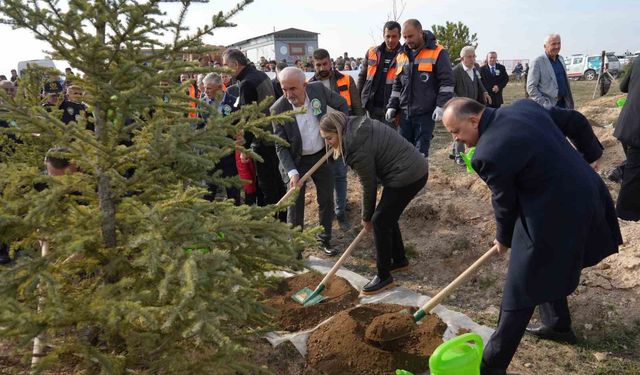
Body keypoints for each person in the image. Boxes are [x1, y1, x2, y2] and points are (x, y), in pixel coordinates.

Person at [441, 97, 622, 375]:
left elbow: (505, 203)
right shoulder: (524, 107)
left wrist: (503, 238)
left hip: (557, 212)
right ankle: (557, 325)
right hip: (588, 192)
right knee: (543, 263)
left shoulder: (486, 153)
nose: (458, 141)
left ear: (473, 120)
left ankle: (491, 366)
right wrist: (591, 155)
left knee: (521, 286)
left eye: (456, 132)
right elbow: (574, 119)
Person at [319, 111, 427, 294]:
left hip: (407, 175)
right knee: (387, 216)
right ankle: (399, 260)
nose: (327, 143)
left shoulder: (354, 144)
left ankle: (384, 276)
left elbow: (368, 184)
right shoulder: (354, 124)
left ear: (338, 130)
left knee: (379, 221)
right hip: (412, 168)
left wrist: (366, 217)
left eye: (329, 138)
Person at [270, 67, 349, 257]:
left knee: (326, 200)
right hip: (296, 161)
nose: (289, 94)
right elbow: (280, 146)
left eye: (293, 89)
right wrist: (292, 172)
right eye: (284, 89)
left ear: (304, 85)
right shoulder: (278, 109)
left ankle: (325, 239)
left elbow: (342, 104)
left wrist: (339, 130)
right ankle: (295, 248)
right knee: (294, 205)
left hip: (322, 156)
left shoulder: (318, 91)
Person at [222, 48, 286, 220]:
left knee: (267, 185)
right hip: (273, 135)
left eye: (225, 66)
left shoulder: (247, 83)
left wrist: (244, 149)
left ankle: (273, 222)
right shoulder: (260, 75)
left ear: (235, 65)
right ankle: (283, 217)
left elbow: (249, 119)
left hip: (262, 140)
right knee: (276, 182)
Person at [310, 48, 364, 229]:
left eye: (325, 63)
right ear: (313, 65)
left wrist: (356, 133)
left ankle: (341, 213)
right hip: (320, 139)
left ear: (330, 62)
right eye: (318, 65)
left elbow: (357, 108)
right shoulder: (308, 86)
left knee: (341, 175)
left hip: (342, 136)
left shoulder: (346, 80)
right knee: (325, 178)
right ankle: (328, 212)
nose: (322, 68)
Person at [385, 19, 455, 158]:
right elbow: (397, 84)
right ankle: (406, 180)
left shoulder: (438, 52)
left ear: (420, 33)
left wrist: (441, 106)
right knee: (402, 153)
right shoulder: (401, 54)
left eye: (410, 36)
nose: (407, 40)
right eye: (404, 37)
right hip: (405, 114)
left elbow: (447, 82)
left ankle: (419, 180)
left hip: (425, 114)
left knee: (420, 154)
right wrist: (392, 106)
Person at [451, 46, 491, 165]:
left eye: (474, 56)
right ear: (462, 58)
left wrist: (484, 92)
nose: (473, 59)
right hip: (459, 107)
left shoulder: (475, 69)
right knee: (459, 131)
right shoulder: (455, 71)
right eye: (470, 57)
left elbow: (478, 83)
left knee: (472, 129)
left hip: (472, 105)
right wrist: (459, 102)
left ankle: (454, 152)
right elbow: (450, 90)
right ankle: (459, 156)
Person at [357, 20, 402, 125]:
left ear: (400, 36)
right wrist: (359, 102)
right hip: (371, 107)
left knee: (391, 140)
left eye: (394, 36)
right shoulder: (372, 52)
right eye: (388, 36)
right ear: (383, 35)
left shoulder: (405, 55)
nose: (390, 40)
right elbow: (362, 77)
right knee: (374, 139)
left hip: (392, 108)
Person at [613, 56, 640, 220]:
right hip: (637, 130)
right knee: (634, 172)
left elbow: (623, 86)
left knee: (634, 169)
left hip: (626, 124)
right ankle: (624, 214)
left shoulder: (638, 60)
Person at [527, 34, 574, 109]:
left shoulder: (561, 59)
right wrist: (545, 105)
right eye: (553, 44)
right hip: (548, 107)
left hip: (563, 104)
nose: (557, 47)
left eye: (559, 43)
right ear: (545, 46)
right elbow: (531, 87)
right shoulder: (538, 62)